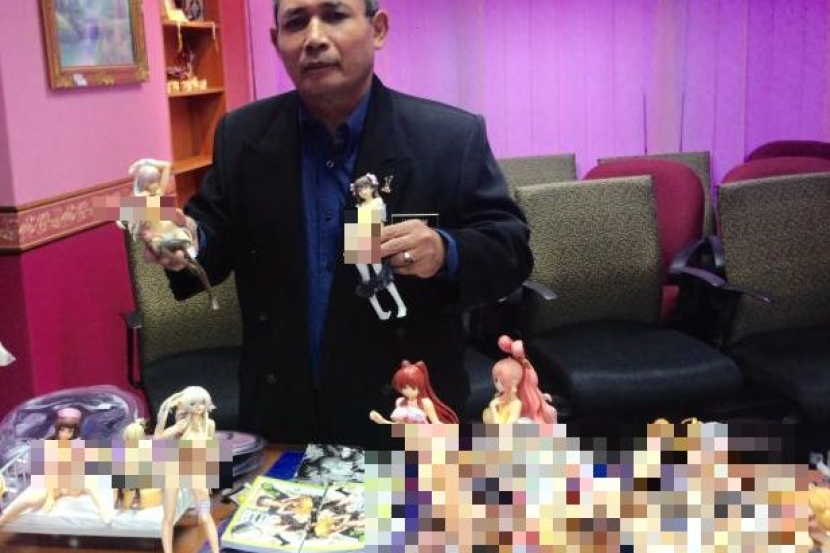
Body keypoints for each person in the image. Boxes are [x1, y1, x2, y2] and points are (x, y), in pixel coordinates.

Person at [141, 0, 532, 445]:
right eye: (295, 22)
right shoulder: (243, 135)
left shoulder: (448, 137)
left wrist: (445, 250)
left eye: (334, 15)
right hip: (282, 411)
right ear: (276, 41)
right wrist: (184, 241)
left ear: (377, 29)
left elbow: (511, 248)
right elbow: (214, 232)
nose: (314, 38)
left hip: (403, 410)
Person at [154, 386, 219, 553]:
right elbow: (157, 439)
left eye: (202, 403)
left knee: (205, 516)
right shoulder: (182, 425)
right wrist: (164, 412)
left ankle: (216, 550)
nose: (199, 407)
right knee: (169, 516)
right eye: (194, 403)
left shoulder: (209, 425)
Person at [369, 360, 458, 424]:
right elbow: (400, 427)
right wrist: (382, 420)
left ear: (420, 385)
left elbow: (436, 423)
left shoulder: (425, 403)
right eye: (403, 388)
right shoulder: (399, 402)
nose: (407, 391)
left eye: (412, 387)